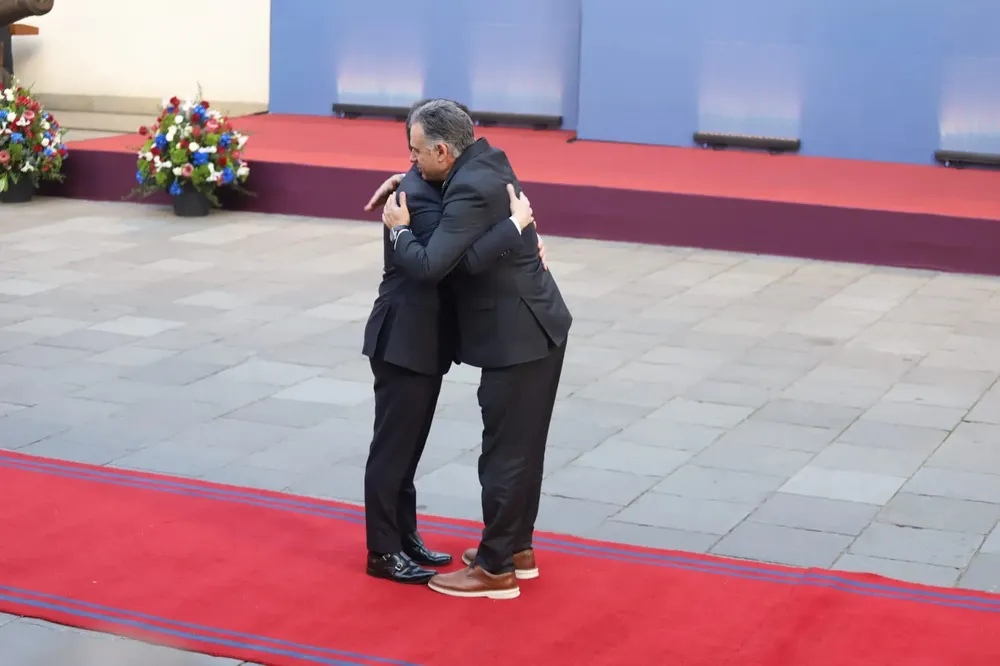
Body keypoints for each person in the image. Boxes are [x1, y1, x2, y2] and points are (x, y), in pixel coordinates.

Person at [380, 99, 572, 600]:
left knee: (505, 456)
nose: (411, 162)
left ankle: (494, 570)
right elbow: (462, 233)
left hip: (518, 335)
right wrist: (515, 230)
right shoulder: (489, 159)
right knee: (523, 450)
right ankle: (516, 550)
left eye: (416, 152)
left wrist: (398, 228)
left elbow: (436, 267)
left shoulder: (466, 189)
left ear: (444, 150)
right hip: (536, 325)